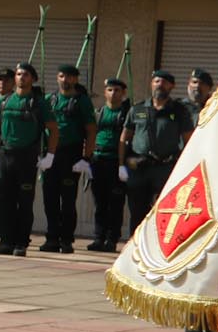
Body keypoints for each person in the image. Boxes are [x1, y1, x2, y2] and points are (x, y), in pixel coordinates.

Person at [0, 62, 47, 257]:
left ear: (33, 79)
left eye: (26, 74)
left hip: (27, 157)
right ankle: (5, 241)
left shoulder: (39, 103)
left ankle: (21, 242)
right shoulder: (3, 102)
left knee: (25, 202)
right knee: (5, 201)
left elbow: (53, 130)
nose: (22, 77)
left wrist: (50, 155)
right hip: (6, 155)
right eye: (19, 74)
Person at [123, 69, 193, 231]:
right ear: (151, 84)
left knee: (166, 210)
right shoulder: (138, 109)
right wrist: (123, 163)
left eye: (164, 82)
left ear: (172, 86)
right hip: (139, 167)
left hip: (165, 168)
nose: (159, 85)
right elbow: (124, 138)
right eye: (156, 81)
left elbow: (188, 140)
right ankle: (135, 246)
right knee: (137, 210)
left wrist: (183, 165)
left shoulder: (179, 110)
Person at [38, 63, 91, 254]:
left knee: (68, 200)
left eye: (69, 77)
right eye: (62, 76)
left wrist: (86, 158)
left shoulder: (82, 101)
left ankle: (66, 239)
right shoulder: (49, 99)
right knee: (49, 199)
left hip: (71, 154)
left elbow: (91, 130)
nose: (65, 80)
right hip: (51, 154)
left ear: (75, 79)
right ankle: (52, 238)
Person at [88, 76, 132, 253]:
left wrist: (123, 164)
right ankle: (98, 237)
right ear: (105, 92)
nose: (113, 94)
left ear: (123, 93)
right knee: (99, 203)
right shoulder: (99, 113)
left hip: (116, 161)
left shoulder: (126, 114)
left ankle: (112, 238)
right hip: (98, 159)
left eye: (117, 91)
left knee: (115, 203)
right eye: (110, 90)